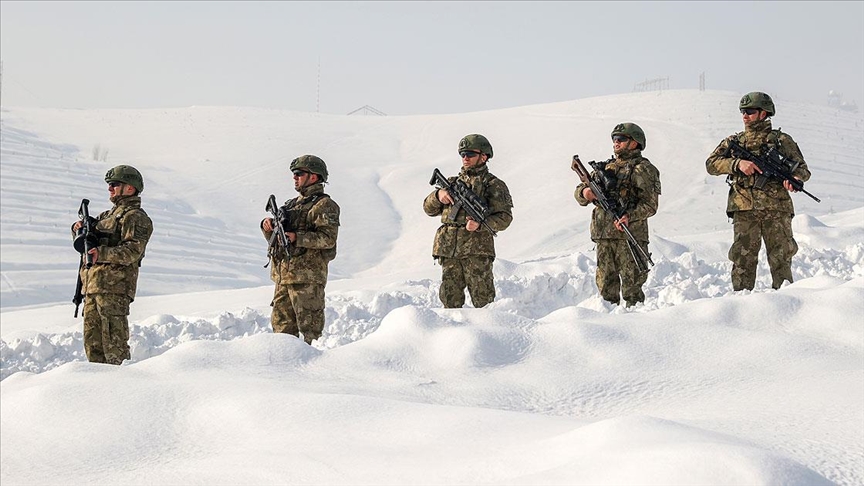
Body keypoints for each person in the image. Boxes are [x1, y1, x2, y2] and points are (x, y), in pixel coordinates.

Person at [706, 91, 811, 291]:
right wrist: (737, 164)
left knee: (781, 258)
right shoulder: (734, 141)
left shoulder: (782, 140)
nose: (745, 116)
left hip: (776, 209)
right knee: (742, 260)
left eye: (750, 111)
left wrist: (795, 179)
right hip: (744, 208)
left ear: (764, 113)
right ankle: (741, 305)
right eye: (743, 112)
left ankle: (787, 305)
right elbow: (711, 164)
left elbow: (803, 169)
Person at [71, 165, 153, 365]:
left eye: (115, 185)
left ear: (130, 188)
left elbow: (132, 251)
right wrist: (78, 230)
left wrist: (101, 253)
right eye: (109, 185)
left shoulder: (135, 217)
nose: (110, 189)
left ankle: (120, 390)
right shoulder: (106, 217)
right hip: (93, 287)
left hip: (114, 290)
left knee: (114, 349)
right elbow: (85, 242)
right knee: (93, 347)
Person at [574, 123, 661, 307]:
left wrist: (629, 215)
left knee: (633, 291)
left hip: (630, 238)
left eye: (621, 139)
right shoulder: (606, 168)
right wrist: (586, 193)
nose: (616, 143)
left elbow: (650, 205)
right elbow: (580, 191)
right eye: (614, 139)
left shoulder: (644, 169)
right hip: (604, 237)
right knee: (606, 291)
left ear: (635, 142)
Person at [423, 134, 513, 308]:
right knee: (450, 302)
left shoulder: (494, 185)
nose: (465, 158)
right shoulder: (452, 183)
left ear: (484, 156)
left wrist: (480, 225)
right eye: (462, 154)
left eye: (470, 154)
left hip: (477, 252)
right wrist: (437, 196)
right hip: (449, 251)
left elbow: (505, 218)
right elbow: (428, 209)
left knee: (484, 302)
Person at [261, 155, 340, 344]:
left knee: (310, 336)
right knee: (281, 336)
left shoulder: (324, 205)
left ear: (313, 177)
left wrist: (298, 237)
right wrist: (269, 229)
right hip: (284, 279)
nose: (295, 178)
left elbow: (328, 239)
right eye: (294, 174)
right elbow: (278, 242)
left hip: (308, 281)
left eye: (299, 174)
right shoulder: (291, 205)